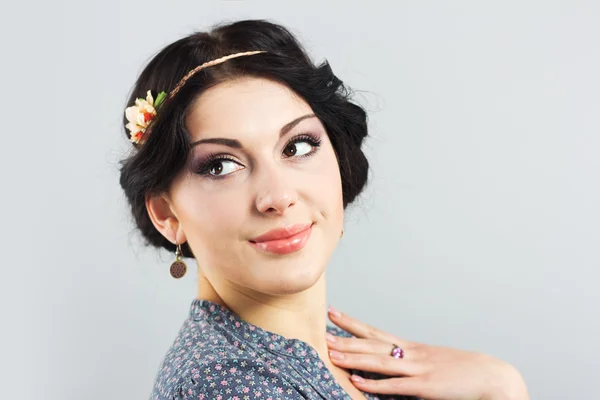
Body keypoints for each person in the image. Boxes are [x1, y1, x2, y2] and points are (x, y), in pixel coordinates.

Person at [119, 19, 529, 400]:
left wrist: (497, 381)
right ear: (167, 214)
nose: (278, 197)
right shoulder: (227, 383)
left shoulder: (336, 352)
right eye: (220, 165)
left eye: (297, 147)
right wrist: (503, 388)